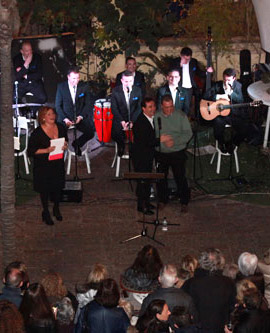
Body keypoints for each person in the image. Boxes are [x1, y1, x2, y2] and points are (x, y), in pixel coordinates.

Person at [27, 106, 68, 225]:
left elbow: (65, 141)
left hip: (57, 163)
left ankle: (56, 208)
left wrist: (65, 146)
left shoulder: (60, 127)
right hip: (43, 166)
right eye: (49, 114)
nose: (52, 116)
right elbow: (31, 151)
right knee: (44, 189)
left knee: (57, 187)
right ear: (43, 117)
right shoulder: (37, 133)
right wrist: (46, 150)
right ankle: (45, 212)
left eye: (53, 114)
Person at [182, 248, 236, 332]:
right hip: (220, 327)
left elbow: (184, 307)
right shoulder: (229, 283)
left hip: (199, 328)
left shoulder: (190, 284)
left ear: (201, 262)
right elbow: (232, 306)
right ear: (219, 263)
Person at [154, 95, 193, 213]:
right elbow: (151, 135)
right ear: (161, 106)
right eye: (166, 107)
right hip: (162, 152)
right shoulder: (156, 117)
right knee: (161, 177)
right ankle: (162, 199)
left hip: (177, 150)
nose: (169, 110)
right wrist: (161, 139)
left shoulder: (180, 116)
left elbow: (188, 134)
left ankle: (184, 201)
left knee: (180, 176)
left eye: (171, 107)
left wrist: (175, 142)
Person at [203, 67, 248, 154]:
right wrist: (218, 96)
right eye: (225, 79)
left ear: (234, 78)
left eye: (229, 80)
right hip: (221, 114)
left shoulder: (238, 86)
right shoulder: (218, 85)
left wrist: (231, 93)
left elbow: (241, 100)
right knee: (217, 123)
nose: (226, 82)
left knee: (245, 127)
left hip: (234, 114)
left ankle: (233, 143)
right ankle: (221, 142)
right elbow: (205, 96)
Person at [55, 66, 94, 156]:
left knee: (90, 132)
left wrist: (80, 117)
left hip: (78, 117)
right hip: (65, 118)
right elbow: (58, 105)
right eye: (73, 78)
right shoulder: (61, 87)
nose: (75, 81)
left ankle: (77, 144)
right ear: (68, 77)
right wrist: (65, 119)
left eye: (77, 78)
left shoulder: (84, 87)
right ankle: (58, 157)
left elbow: (88, 104)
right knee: (59, 134)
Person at [131, 97, 159, 215]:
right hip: (140, 156)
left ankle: (146, 202)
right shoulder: (141, 122)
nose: (153, 109)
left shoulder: (151, 119)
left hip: (147, 155)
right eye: (150, 107)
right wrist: (160, 140)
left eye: (153, 106)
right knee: (142, 181)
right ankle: (141, 205)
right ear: (143, 109)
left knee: (147, 180)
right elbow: (147, 141)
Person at [171, 47, 213, 116]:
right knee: (178, 107)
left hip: (189, 88)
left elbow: (198, 72)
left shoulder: (193, 62)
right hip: (179, 88)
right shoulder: (175, 62)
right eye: (185, 58)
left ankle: (184, 123)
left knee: (187, 107)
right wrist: (180, 65)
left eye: (188, 59)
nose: (187, 60)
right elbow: (171, 72)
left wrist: (207, 72)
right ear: (181, 56)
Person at [111, 70, 142, 157]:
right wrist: (122, 121)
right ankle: (121, 145)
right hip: (120, 117)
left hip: (133, 117)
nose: (128, 83)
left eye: (130, 81)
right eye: (126, 81)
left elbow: (139, 107)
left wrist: (132, 121)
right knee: (115, 133)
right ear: (121, 81)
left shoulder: (138, 90)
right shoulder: (115, 91)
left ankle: (134, 149)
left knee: (141, 132)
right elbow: (114, 108)